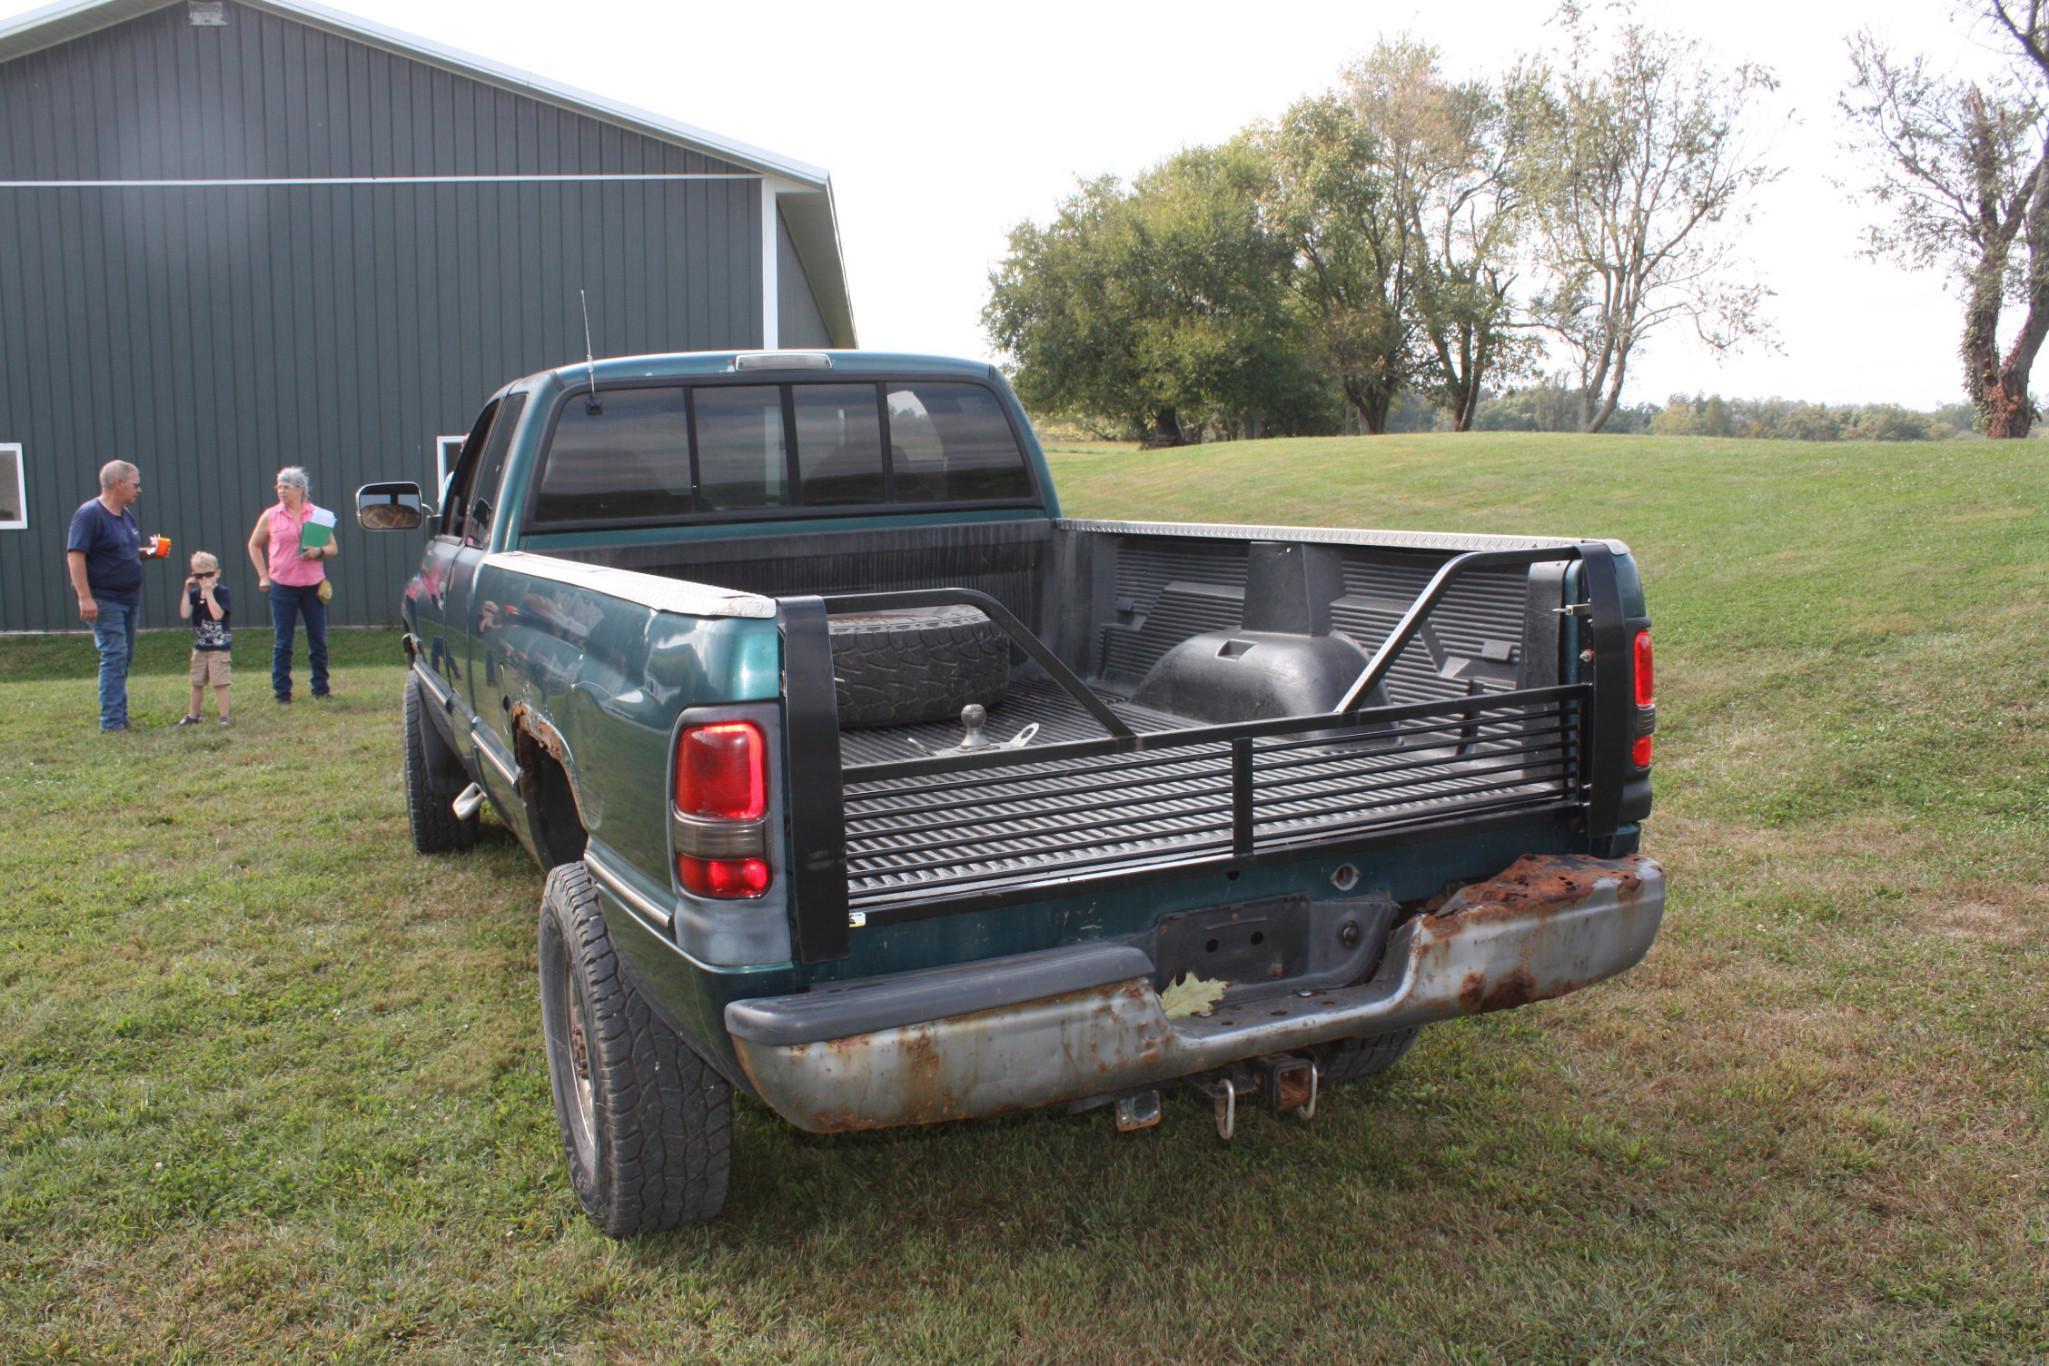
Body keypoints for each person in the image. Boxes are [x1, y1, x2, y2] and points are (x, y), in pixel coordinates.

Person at [65, 460, 163, 732]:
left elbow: (125, 552)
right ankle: (111, 722)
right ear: (118, 483)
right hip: (104, 599)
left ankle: (119, 715)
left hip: (129, 597)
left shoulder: (125, 515)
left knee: (124, 657)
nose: (138, 490)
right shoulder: (90, 514)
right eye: (135, 484)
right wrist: (85, 597)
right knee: (114, 655)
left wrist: (150, 553)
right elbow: (75, 555)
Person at [246, 466, 337, 703]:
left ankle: (321, 688)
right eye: (279, 486)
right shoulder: (271, 515)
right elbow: (254, 544)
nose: (281, 491)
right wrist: (263, 575)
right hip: (282, 585)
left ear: (300, 489)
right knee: (283, 641)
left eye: (286, 486)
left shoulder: (317, 515)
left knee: (318, 639)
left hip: (312, 585)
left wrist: (318, 551)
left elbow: (332, 548)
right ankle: (282, 692)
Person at [175, 550, 233, 727]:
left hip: (219, 647)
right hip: (200, 647)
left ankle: (224, 716)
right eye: (199, 576)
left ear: (217, 573)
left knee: (219, 683)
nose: (205, 579)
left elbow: (217, 615)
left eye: (209, 574)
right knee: (196, 682)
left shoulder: (222, 592)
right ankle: (193, 715)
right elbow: (185, 613)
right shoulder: (194, 595)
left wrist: (209, 593)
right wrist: (186, 591)